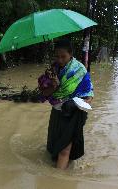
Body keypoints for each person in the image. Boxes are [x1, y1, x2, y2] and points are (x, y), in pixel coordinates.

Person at [38, 39, 94, 169]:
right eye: (57, 56)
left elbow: (89, 94)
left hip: (73, 114)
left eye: (63, 56)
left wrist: (80, 104)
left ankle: (57, 180)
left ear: (71, 54)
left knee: (64, 151)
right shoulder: (52, 71)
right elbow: (45, 94)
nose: (60, 60)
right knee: (53, 148)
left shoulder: (80, 69)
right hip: (57, 113)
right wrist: (55, 85)